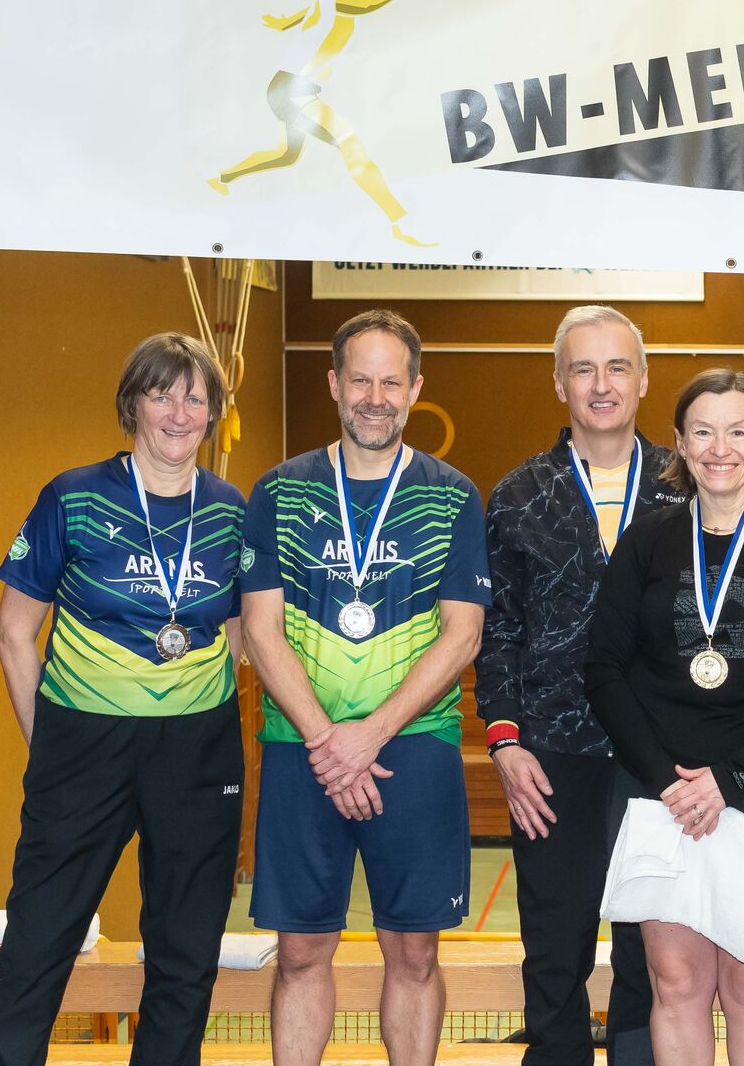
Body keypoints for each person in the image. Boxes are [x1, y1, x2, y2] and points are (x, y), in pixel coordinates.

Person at [0, 333, 246, 1065]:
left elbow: (240, 631)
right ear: (132, 404)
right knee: (38, 944)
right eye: (163, 395)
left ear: (213, 413)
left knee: (186, 954)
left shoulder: (231, 510)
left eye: (196, 398)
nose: (180, 413)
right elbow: (12, 633)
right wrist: (52, 746)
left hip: (197, 754)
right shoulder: (73, 497)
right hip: (82, 744)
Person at [240, 309, 492, 1066]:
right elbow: (260, 630)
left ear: (415, 389)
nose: (374, 398)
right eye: (360, 380)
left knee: (414, 951)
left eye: (390, 382)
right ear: (333, 384)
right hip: (302, 748)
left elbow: (462, 635)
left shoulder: (453, 496)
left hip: (412, 747)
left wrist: (369, 735)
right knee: (299, 952)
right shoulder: (279, 491)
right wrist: (329, 742)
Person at [584, 368, 744, 1066]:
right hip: (661, 793)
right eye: (703, 432)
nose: (720, 448)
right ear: (679, 442)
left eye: (737, 431)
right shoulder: (646, 540)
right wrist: (666, 781)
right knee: (677, 982)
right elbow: (604, 669)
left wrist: (731, 778)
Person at [478, 306, 681, 1066]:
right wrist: (505, 742)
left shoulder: (686, 486)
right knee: (555, 948)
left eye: (617, 366)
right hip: (551, 757)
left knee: (650, 953)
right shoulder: (518, 494)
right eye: (584, 368)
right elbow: (497, 631)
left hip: (660, 757)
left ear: (643, 379)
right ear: (559, 382)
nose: (602, 385)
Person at [208, 0, 434, 246]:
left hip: (288, 88)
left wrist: (284, 22)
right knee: (352, 146)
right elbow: (367, 4)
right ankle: (400, 223)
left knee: (287, 155)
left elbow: (310, 11)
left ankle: (222, 178)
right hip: (294, 91)